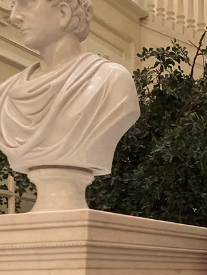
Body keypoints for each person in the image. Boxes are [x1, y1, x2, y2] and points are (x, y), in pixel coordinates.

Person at [0, 0, 139, 175]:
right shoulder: (5, 94)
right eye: (13, 5)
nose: (14, 17)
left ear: (64, 12)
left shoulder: (112, 82)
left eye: (26, 2)